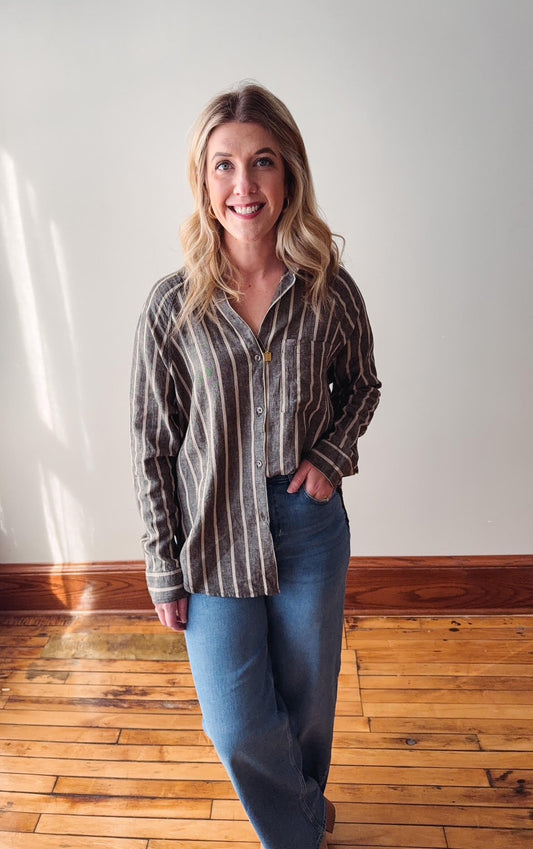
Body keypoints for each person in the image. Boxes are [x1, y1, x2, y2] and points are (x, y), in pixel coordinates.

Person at [130, 82, 381, 849]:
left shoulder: (328, 290)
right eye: (224, 166)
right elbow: (151, 444)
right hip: (212, 535)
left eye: (262, 163)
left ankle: (297, 824)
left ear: (288, 176)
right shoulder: (171, 306)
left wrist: (331, 458)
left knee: (306, 705)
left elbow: (362, 384)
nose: (244, 186)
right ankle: (303, 826)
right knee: (234, 722)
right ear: (203, 184)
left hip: (307, 528)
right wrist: (161, 567)